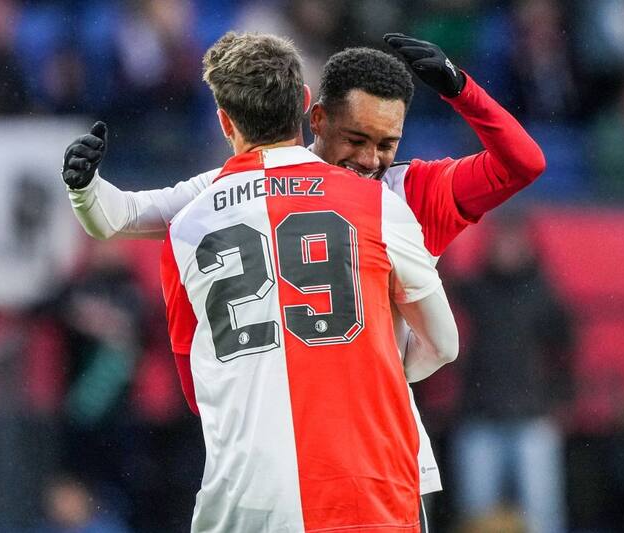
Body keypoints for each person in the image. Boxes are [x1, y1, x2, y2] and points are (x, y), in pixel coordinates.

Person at [62, 33, 545, 530]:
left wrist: (461, 89)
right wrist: (84, 187)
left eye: (387, 144)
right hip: (345, 466)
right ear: (316, 118)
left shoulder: (405, 189)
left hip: (357, 447)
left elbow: (524, 163)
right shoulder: (343, 198)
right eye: (355, 139)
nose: (370, 160)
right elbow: (124, 215)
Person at [158, 30, 457, 532]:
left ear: (225, 120)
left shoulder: (186, 226)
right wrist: (374, 371)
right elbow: (444, 344)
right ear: (304, 104)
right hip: (366, 488)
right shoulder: (377, 203)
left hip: (244, 499)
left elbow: (196, 390)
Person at [450, 213, 574, 533]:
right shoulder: (476, 290)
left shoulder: (543, 294)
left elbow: (566, 352)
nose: (506, 248)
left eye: (513, 240)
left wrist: (560, 398)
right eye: (501, 240)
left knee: (541, 518)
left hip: (532, 418)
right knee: (476, 518)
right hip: (480, 415)